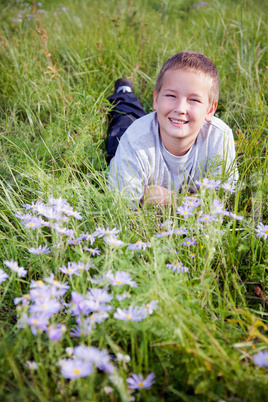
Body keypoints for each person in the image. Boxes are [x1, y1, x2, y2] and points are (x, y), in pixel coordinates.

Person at [107, 51, 238, 207]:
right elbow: (122, 205)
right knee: (124, 118)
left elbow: (223, 200)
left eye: (194, 100)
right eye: (171, 96)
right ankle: (124, 91)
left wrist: (172, 200)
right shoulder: (134, 140)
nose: (180, 108)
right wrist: (197, 201)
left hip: (158, 123)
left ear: (210, 110)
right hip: (136, 134)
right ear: (156, 99)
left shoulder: (219, 137)